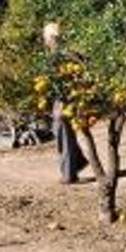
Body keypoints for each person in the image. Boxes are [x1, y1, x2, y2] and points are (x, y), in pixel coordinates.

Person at [42, 21, 86, 184]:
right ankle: (78, 161)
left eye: (46, 37)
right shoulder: (56, 53)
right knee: (60, 130)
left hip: (67, 100)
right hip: (61, 99)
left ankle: (69, 173)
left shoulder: (62, 54)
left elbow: (78, 70)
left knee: (63, 130)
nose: (45, 41)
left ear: (53, 38)